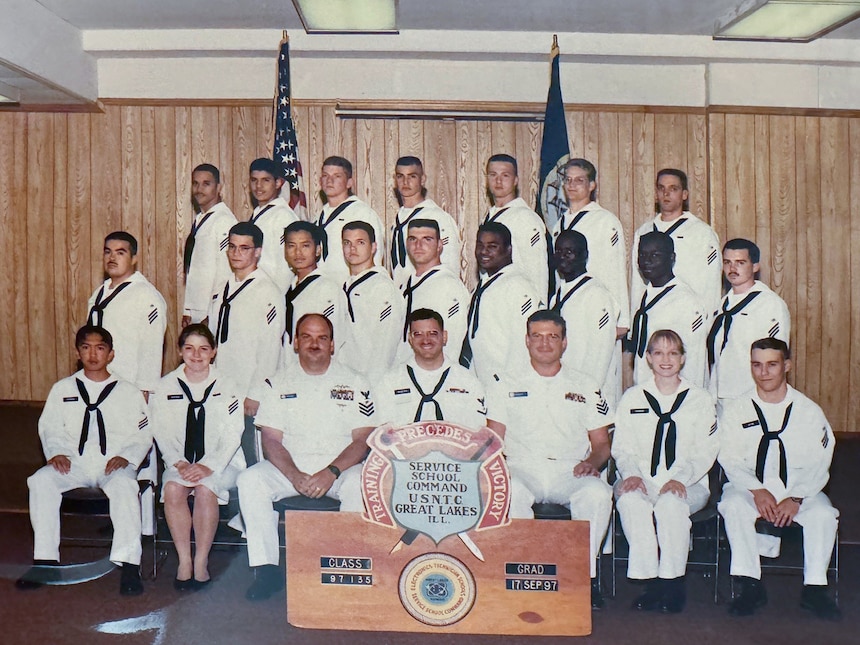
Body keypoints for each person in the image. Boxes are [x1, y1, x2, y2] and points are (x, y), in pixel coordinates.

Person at [236, 314, 376, 601]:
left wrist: (331, 472)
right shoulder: (276, 383)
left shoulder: (356, 382)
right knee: (250, 480)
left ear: (333, 344)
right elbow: (271, 441)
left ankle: (345, 568)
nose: (315, 344)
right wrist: (294, 475)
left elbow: (362, 440)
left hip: (339, 470)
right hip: (291, 469)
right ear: (296, 343)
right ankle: (266, 570)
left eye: (322, 337)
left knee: (360, 481)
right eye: (307, 337)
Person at [487, 309, 613, 609]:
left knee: (598, 493)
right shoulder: (505, 383)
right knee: (511, 491)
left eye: (552, 336)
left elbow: (601, 444)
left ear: (564, 342)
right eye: (537, 336)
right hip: (522, 466)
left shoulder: (585, 384)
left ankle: (586, 578)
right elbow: (493, 441)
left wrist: (592, 464)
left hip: (568, 469)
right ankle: (521, 576)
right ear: (527, 341)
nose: (544, 343)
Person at [16, 326, 151, 595]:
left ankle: (129, 564)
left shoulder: (128, 391)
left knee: (125, 487)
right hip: (73, 462)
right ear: (77, 352)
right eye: (86, 347)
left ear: (110, 354)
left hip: (112, 462)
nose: (93, 354)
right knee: (41, 481)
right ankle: (45, 562)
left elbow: (143, 432)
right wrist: (55, 452)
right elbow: (49, 427)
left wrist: (127, 455)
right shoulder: (63, 388)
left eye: (100, 348)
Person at [718, 338, 840, 620]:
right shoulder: (737, 410)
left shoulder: (808, 411)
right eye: (757, 365)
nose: (764, 372)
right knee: (733, 506)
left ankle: (815, 589)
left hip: (799, 489)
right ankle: (749, 584)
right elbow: (729, 457)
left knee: (823, 514)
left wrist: (796, 496)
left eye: (772, 365)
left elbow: (821, 461)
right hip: (750, 488)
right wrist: (756, 490)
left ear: (787, 366)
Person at [612, 330, 718, 613]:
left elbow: (705, 450)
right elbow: (622, 447)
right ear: (648, 358)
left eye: (673, 353)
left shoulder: (700, 399)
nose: (666, 359)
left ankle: (672, 583)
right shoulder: (633, 397)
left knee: (672, 505)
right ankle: (650, 581)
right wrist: (631, 473)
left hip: (689, 482)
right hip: (641, 477)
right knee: (632, 500)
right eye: (658, 352)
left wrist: (678, 479)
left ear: (683, 359)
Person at [151, 324, 245, 590]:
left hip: (222, 463)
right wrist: (177, 462)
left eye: (203, 349)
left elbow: (232, 433)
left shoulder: (228, 385)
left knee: (205, 490)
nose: (196, 355)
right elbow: (161, 431)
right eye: (189, 348)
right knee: (172, 489)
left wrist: (208, 466)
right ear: (180, 351)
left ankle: (201, 561)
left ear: (213, 352)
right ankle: (184, 562)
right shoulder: (165, 385)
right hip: (180, 461)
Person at [207, 222, 284, 420]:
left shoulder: (268, 291)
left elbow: (270, 349)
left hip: (249, 387)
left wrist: (255, 393)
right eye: (232, 247)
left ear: (257, 251)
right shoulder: (222, 288)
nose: (236, 253)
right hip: (221, 382)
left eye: (244, 248)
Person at [551, 158, 629, 340]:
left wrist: (622, 320)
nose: (572, 185)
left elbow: (615, 270)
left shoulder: (605, 221)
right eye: (568, 179)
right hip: (567, 305)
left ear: (592, 185)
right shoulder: (559, 225)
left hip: (597, 307)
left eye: (579, 180)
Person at [708, 238, 791, 401]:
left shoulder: (769, 305)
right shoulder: (723, 304)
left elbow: (776, 359)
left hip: (751, 397)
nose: (732, 268)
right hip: (720, 395)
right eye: (727, 262)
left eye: (740, 262)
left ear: (755, 266)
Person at [86, 231, 167, 398]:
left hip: (129, 385)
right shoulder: (99, 293)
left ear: (134, 259)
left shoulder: (146, 295)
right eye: (108, 252)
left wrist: (145, 389)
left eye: (120, 252)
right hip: (99, 381)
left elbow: (152, 346)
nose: (112, 258)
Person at [376, 308, 488, 428]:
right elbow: (381, 434)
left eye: (433, 333)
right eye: (418, 334)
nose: (426, 340)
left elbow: (479, 433)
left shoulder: (468, 382)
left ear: (444, 336)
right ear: (410, 339)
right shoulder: (389, 383)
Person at [459, 222, 541, 385]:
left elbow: (522, 346)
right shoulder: (485, 286)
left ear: (509, 249)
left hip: (507, 387)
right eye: (480, 245)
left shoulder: (518, 286)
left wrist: (509, 389)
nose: (484, 252)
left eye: (492, 246)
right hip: (483, 383)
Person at [631, 169, 721, 316]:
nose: (666, 194)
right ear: (656, 194)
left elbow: (712, 285)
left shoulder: (701, 233)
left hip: (686, 313)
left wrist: (707, 323)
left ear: (684, 194)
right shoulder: (644, 231)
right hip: (652, 312)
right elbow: (637, 282)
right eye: (661, 188)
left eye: (673, 189)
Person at [550, 230, 621, 407]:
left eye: (569, 252)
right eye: (558, 251)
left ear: (584, 255)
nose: (563, 257)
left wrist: (582, 396)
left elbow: (600, 354)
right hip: (563, 390)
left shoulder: (596, 295)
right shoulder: (558, 295)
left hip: (587, 397)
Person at [628, 231, 707, 387]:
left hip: (674, 396)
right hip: (646, 388)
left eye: (655, 255)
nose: (647, 262)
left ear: (671, 258)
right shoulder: (647, 295)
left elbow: (694, 362)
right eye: (642, 255)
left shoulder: (686, 301)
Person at [397, 219, 470, 363]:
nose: (418, 245)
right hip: (405, 373)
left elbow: (454, 342)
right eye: (413, 239)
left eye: (427, 239)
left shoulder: (449, 286)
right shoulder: (404, 285)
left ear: (439, 245)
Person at [340, 221, 403, 380]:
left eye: (360, 242)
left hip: (371, 381)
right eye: (347, 243)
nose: (352, 248)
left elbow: (386, 345)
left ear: (374, 247)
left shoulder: (382, 287)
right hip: (347, 378)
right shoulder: (346, 285)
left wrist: (373, 386)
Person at [483, 154, 549, 298]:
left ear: (515, 181)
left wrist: (538, 312)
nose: (498, 180)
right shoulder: (489, 217)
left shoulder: (525, 218)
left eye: (505, 175)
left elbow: (537, 271)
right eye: (493, 175)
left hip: (517, 300)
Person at [282, 221, 347, 366]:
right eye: (291, 246)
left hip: (317, 371)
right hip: (289, 370)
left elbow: (334, 338)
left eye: (305, 246)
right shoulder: (289, 289)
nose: (298, 253)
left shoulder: (327, 289)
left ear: (317, 250)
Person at [389, 156, 462, 285]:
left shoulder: (438, 218)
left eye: (412, 176)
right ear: (395, 180)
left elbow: (450, 267)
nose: (405, 182)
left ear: (422, 179)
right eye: (400, 176)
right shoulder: (396, 222)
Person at [182, 163, 238, 327]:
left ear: (218, 187)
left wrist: (212, 315)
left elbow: (226, 272)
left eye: (206, 184)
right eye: (195, 183)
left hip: (212, 310)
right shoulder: (201, 219)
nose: (199, 189)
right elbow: (195, 270)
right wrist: (188, 310)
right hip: (198, 309)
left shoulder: (224, 221)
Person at [315, 156, 385, 284]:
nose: (329, 180)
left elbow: (376, 256)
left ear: (349, 183)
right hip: (324, 290)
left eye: (337, 176)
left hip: (350, 289)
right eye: (325, 175)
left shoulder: (362, 213)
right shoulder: (319, 216)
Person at [247, 157, 299, 291]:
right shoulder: (259, 214)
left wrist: (275, 300)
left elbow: (286, 266)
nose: (258, 186)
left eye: (266, 180)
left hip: (271, 294)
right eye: (254, 180)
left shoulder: (283, 216)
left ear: (278, 183)